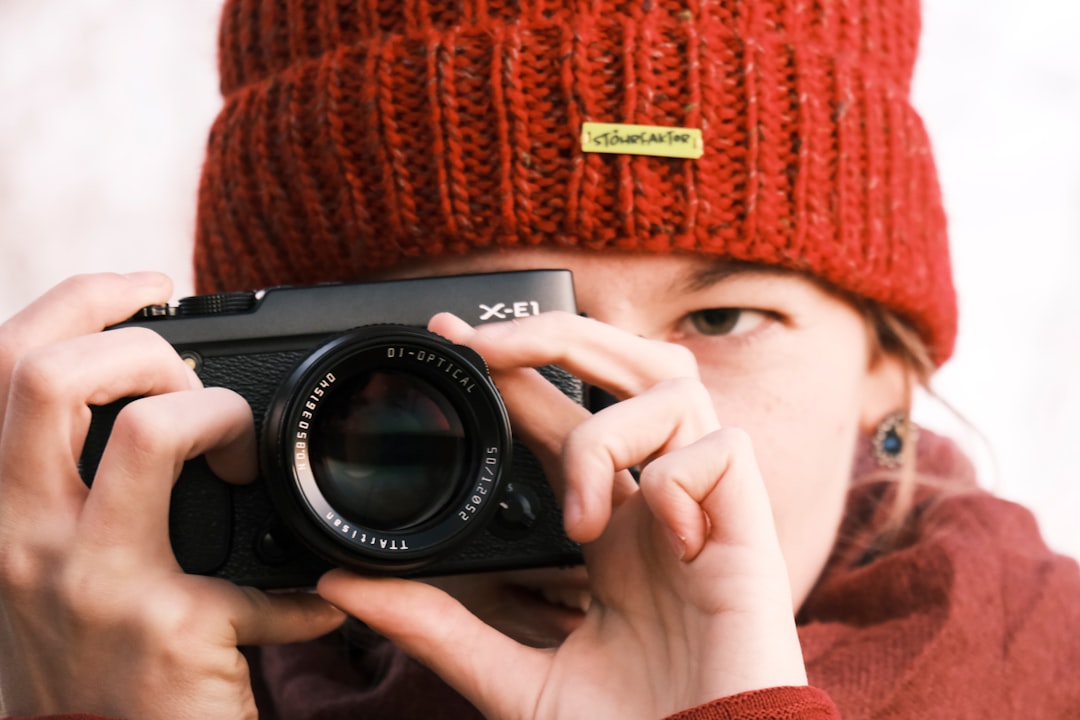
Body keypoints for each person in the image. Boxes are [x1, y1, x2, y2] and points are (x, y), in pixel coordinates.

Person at [1, 0, 1078, 718]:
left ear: (888, 364)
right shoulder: (98, 663)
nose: (603, 453)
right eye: (478, 340)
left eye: (719, 321)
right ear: (275, 370)